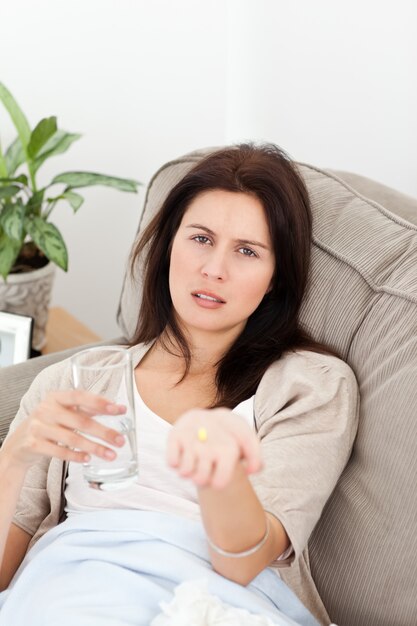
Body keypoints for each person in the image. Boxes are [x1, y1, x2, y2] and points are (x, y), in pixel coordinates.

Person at [0, 144, 358, 626]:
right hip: (76, 590)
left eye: (247, 251)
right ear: (170, 244)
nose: (214, 269)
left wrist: (219, 472)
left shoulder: (310, 386)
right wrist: (13, 456)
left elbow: (244, 561)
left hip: (217, 602)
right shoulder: (78, 380)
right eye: (201, 239)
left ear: (276, 278)